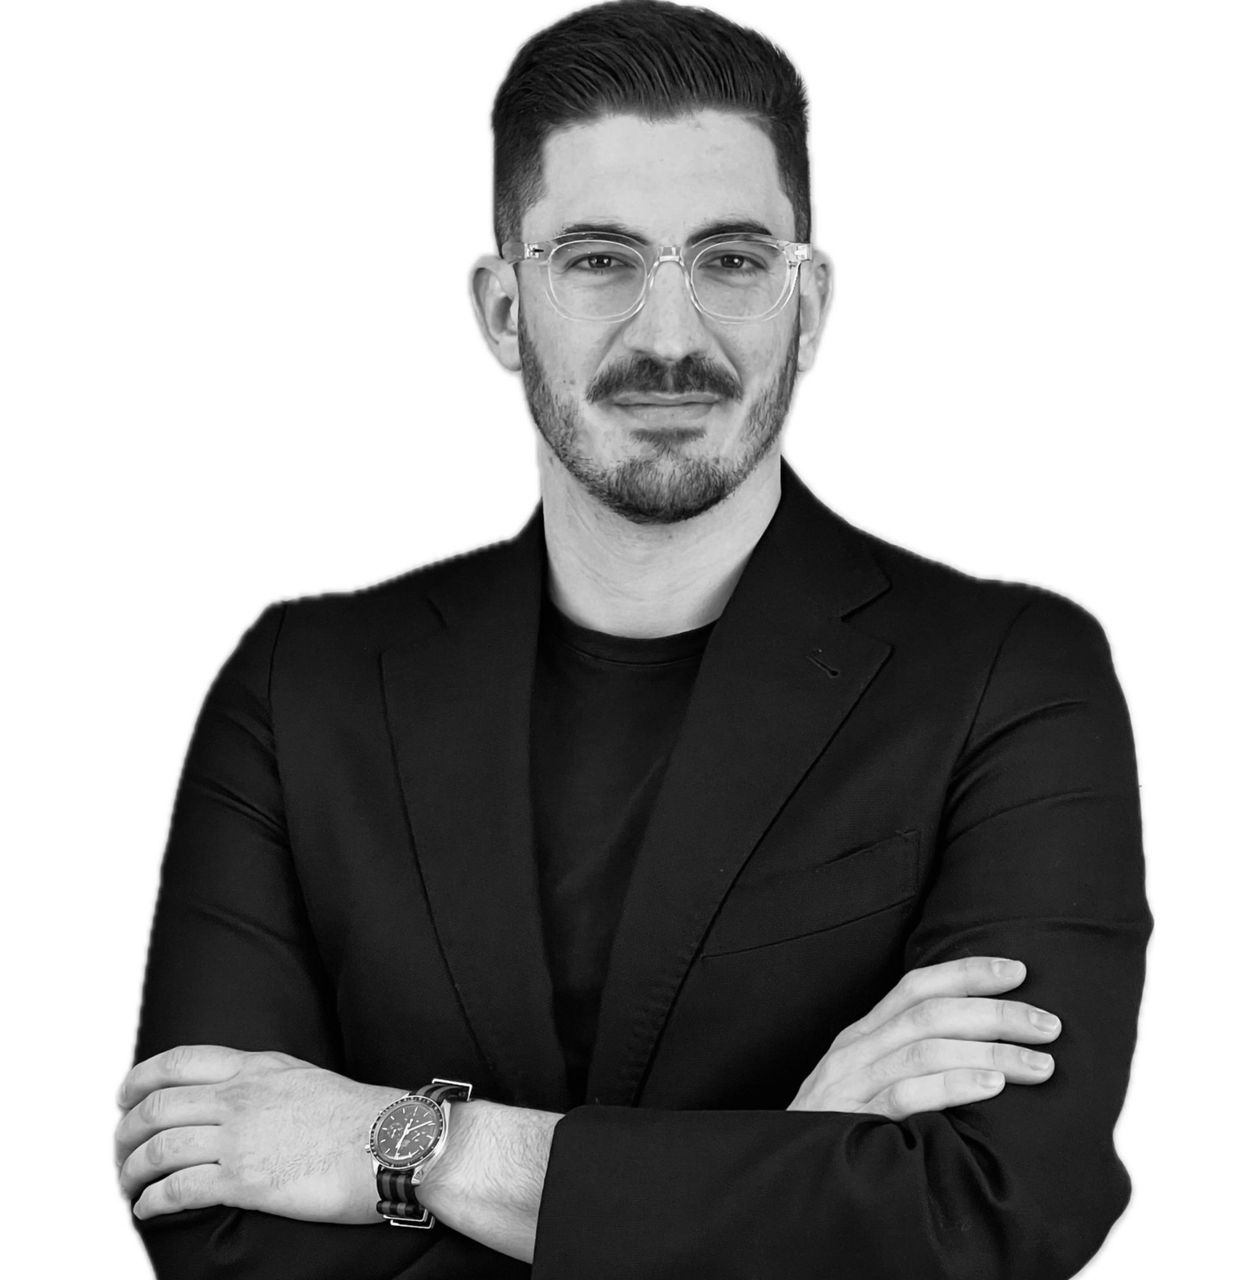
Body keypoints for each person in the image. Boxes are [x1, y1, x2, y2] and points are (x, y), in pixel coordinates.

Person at [114, 2, 1152, 1276]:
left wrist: (415, 1148)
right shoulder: (299, 690)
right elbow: (212, 1221)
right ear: (505, 308)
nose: (669, 338)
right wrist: (783, 1161)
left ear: (807, 304)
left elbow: (991, 1211)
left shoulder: (1009, 678)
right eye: (599, 259)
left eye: (731, 259)